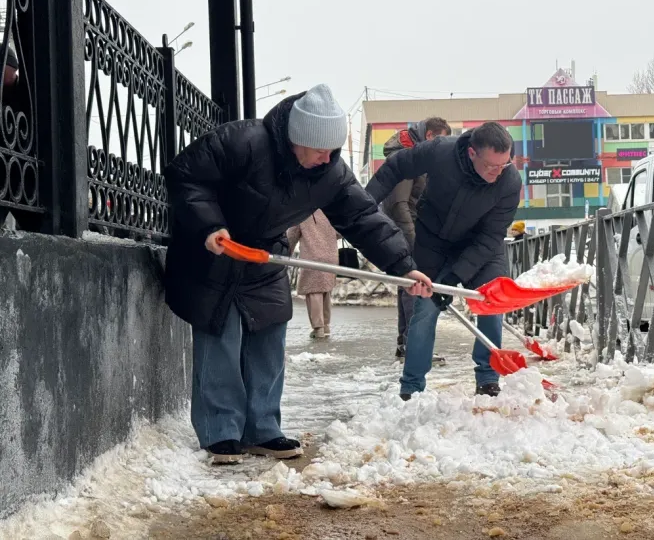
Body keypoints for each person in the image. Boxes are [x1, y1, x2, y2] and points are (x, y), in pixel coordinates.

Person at [164, 84, 433, 464]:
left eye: (332, 150)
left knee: (270, 337)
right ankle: (220, 432)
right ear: (296, 139)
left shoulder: (331, 172)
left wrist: (405, 267)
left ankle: (263, 428)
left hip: (264, 256)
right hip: (215, 250)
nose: (327, 158)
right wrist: (209, 226)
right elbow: (185, 176)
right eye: (320, 149)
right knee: (221, 336)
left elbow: (362, 219)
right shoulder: (243, 142)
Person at [366, 121, 521, 399]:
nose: (497, 173)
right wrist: (363, 207)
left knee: (490, 302)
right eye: (491, 166)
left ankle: (487, 377)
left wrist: (456, 276)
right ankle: (412, 386)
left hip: (482, 248)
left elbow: (491, 237)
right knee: (424, 308)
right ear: (472, 153)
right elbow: (396, 167)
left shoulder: (509, 181)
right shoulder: (440, 151)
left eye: (504, 165)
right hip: (434, 241)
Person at [380, 117, 452, 362]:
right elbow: (399, 204)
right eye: (441, 140)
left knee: (408, 287)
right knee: (416, 288)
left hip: (405, 228)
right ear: (430, 136)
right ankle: (415, 346)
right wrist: (412, 239)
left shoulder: (414, 156)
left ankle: (407, 343)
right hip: (404, 230)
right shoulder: (408, 158)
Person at [287, 210, 339, 339]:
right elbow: (340, 232)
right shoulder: (329, 210)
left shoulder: (301, 213)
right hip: (330, 256)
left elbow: (291, 236)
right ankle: (326, 326)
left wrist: (285, 252)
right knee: (326, 290)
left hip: (311, 257)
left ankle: (318, 328)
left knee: (313, 291)